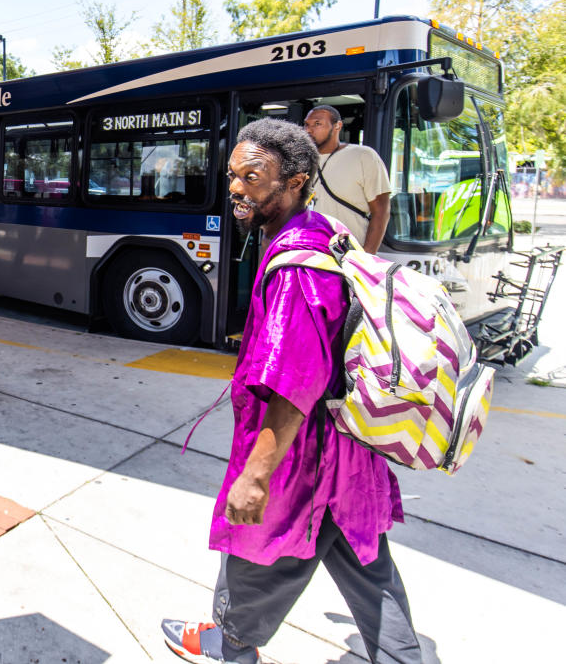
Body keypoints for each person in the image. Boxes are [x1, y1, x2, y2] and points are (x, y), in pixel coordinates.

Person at [161, 118, 421, 664]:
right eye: (233, 176)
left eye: (253, 178)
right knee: (371, 574)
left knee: (254, 558)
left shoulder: (295, 268)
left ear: (297, 181)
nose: (236, 189)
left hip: (301, 462)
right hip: (351, 456)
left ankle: (229, 646)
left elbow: (295, 379)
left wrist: (257, 476)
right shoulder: (324, 232)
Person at [302, 105, 391, 254]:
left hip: (350, 256)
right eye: (306, 124)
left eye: (318, 124)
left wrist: (367, 257)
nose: (309, 130)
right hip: (310, 255)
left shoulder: (363, 156)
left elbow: (381, 211)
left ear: (338, 126)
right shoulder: (300, 161)